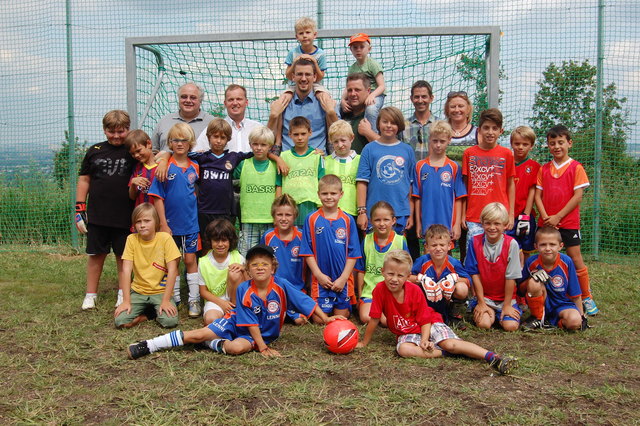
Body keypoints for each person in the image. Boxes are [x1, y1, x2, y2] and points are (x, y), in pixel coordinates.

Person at [127, 244, 345, 359]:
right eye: (255, 265)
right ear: (247, 269)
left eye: (265, 264)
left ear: (273, 267)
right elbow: (249, 323)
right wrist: (262, 349)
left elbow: (306, 301)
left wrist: (326, 320)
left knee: (235, 348)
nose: (260, 267)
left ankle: (209, 344)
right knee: (197, 333)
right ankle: (149, 345)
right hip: (236, 323)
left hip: (261, 335)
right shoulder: (243, 289)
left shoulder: (282, 285)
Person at [356, 250, 518, 375]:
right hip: (406, 331)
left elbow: (425, 319)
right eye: (390, 274)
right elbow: (374, 319)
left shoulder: (414, 290)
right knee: (404, 350)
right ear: (383, 271)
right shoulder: (379, 290)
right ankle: (447, 353)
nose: (394, 279)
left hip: (429, 323)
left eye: (400, 275)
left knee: (451, 343)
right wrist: (364, 342)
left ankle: (493, 357)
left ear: (407, 276)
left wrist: (425, 340)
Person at [534, 125, 599, 316]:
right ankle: (541, 294)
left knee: (575, 259)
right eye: (552, 143)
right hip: (545, 224)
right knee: (543, 257)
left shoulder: (576, 167)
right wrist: (545, 215)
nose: (556, 146)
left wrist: (558, 217)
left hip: (567, 223)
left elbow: (577, 197)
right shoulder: (544, 169)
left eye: (560, 142)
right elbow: (538, 195)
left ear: (569, 143)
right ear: (548, 146)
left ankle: (585, 296)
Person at [77, 110, 135, 310]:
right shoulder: (95, 150)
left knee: (123, 256)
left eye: (121, 131)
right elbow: (84, 179)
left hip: (125, 215)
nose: (117, 136)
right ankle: (90, 295)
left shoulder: (132, 149)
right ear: (104, 130)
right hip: (98, 214)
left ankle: (122, 292)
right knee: (96, 254)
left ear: (128, 129)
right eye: (112, 132)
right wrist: (79, 208)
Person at [147, 123, 201, 317]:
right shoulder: (164, 167)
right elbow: (156, 197)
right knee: (173, 261)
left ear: (190, 143)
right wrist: (163, 224)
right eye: (175, 140)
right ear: (169, 142)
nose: (179, 143)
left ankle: (194, 299)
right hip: (170, 225)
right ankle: (175, 297)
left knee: (190, 259)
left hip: (191, 224)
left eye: (184, 140)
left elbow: (195, 191)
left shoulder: (195, 166)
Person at [300, 174, 362, 323]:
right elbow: (307, 251)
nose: (329, 197)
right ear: (318, 194)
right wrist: (318, 275)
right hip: (321, 279)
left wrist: (343, 278)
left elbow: (353, 253)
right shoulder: (311, 218)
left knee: (342, 316)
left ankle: (345, 305)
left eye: (333, 193)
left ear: (341, 194)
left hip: (342, 280)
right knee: (319, 320)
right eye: (325, 193)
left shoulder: (347, 220)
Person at [114, 203, 181, 328]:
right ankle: (150, 313)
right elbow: (126, 270)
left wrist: (166, 301)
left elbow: (173, 270)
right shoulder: (131, 239)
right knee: (120, 321)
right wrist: (126, 301)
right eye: (138, 221)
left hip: (161, 292)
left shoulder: (165, 238)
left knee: (169, 322)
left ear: (156, 222)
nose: (142, 225)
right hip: (139, 291)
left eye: (147, 221)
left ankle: (148, 314)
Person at [356, 107, 416, 233]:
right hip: (375, 214)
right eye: (385, 121)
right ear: (378, 123)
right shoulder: (369, 149)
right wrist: (362, 211)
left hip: (400, 213)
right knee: (375, 251)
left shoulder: (407, 150)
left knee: (397, 251)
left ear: (399, 125)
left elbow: (411, 184)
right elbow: (362, 182)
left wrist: (410, 213)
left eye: (393, 123)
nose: (389, 126)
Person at [464, 202, 522, 332]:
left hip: (506, 298)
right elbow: (474, 274)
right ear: (482, 223)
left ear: (505, 225)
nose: (492, 227)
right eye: (488, 223)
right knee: (484, 324)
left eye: (497, 224)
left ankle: (503, 312)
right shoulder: (475, 241)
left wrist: (507, 305)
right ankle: (486, 311)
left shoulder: (511, 244)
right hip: (486, 297)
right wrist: (481, 302)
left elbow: (511, 277)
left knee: (510, 327)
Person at [461, 108, 515, 247]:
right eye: (486, 128)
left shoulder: (506, 154)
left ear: (500, 131)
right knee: (474, 256)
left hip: (499, 216)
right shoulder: (469, 153)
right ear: (479, 130)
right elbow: (464, 187)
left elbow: (511, 184)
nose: (490, 132)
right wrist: (463, 215)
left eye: (494, 128)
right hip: (474, 216)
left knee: (498, 257)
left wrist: (510, 214)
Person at [519, 226, 585, 331]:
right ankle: (538, 317)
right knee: (533, 282)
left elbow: (575, 293)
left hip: (563, 304)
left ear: (560, 246)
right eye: (543, 244)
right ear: (536, 246)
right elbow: (520, 290)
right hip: (542, 302)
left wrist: (581, 316)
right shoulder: (531, 262)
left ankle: (552, 322)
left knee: (575, 322)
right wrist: (530, 279)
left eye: (552, 244)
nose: (548, 248)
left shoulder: (567, 262)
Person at [268, 58, 338, 152]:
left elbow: (340, 133)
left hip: (317, 159)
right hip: (287, 162)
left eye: (308, 74)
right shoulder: (282, 103)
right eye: (300, 74)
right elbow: (267, 139)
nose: (304, 78)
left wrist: (331, 112)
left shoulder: (325, 102)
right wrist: (273, 116)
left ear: (314, 77)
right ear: (293, 77)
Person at [412, 120, 466, 242]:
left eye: (442, 141)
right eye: (435, 141)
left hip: (447, 220)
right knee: (428, 251)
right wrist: (419, 223)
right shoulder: (419, 166)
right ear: (429, 139)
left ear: (449, 140)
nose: (438, 145)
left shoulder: (454, 167)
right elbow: (417, 197)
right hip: (427, 221)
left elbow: (459, 198)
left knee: (446, 252)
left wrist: (456, 224)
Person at [356, 201, 408, 325]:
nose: (382, 223)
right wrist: (360, 296)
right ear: (371, 221)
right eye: (377, 220)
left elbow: (406, 272)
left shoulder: (400, 241)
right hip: (370, 292)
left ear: (393, 220)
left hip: (392, 292)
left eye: (386, 219)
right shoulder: (366, 240)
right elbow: (361, 271)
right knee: (366, 318)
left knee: (386, 321)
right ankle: (377, 310)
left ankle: (384, 313)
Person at [410, 224, 471, 328]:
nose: (438, 249)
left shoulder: (454, 263)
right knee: (413, 287)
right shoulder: (422, 261)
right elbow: (407, 277)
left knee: (462, 288)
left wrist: (453, 279)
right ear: (427, 246)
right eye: (434, 245)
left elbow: (467, 281)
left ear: (449, 245)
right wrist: (421, 279)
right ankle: (416, 314)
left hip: (445, 300)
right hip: (426, 299)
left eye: (442, 245)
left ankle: (454, 317)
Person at [261, 194, 307, 325]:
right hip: (273, 290)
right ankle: (282, 311)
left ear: (295, 216)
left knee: (300, 320)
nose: (283, 219)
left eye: (288, 215)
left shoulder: (302, 236)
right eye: (279, 215)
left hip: (297, 290)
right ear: (274, 216)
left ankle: (287, 311)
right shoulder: (268, 236)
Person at [234, 126, 280, 255]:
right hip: (249, 219)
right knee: (246, 256)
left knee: (270, 256)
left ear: (270, 146)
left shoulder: (276, 166)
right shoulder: (243, 164)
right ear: (250, 144)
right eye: (255, 144)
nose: (259, 148)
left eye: (263, 145)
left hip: (269, 219)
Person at [276, 116, 325, 227]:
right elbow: (278, 184)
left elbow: (322, 182)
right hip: (289, 205)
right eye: (296, 134)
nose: (300, 138)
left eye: (303, 134)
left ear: (310, 133)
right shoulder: (283, 157)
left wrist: (322, 206)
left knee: (309, 237)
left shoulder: (317, 156)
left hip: (310, 204)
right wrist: (278, 206)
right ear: (290, 135)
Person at [198, 219, 247, 325]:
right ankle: (219, 333)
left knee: (235, 273)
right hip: (215, 300)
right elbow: (203, 291)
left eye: (224, 240)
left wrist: (243, 269)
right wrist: (222, 303)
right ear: (210, 241)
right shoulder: (203, 262)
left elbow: (250, 283)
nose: (220, 244)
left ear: (230, 241)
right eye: (216, 240)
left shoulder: (238, 257)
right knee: (210, 319)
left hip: (236, 300)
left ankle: (236, 312)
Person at [506, 126, 540, 264]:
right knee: (508, 247)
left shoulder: (534, 166)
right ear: (511, 144)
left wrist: (525, 215)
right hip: (507, 215)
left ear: (531, 146)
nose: (520, 147)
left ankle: (524, 277)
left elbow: (533, 191)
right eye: (517, 143)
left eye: (525, 144)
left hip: (524, 215)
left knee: (526, 248)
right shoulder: (506, 162)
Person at [195, 84, 261, 154]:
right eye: (231, 100)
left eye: (239, 99)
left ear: (246, 102)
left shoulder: (257, 128)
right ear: (225, 103)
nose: (235, 103)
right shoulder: (214, 127)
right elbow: (197, 151)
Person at [151, 83, 214, 153]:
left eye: (193, 98)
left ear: (200, 100)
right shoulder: (163, 122)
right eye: (184, 97)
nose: (188, 100)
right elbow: (153, 152)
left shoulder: (212, 123)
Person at [343, 33, 385, 132]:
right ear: (351, 50)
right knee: (339, 108)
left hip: (376, 94)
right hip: (360, 95)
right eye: (355, 47)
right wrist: (342, 100)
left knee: (370, 109)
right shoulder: (352, 68)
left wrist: (372, 95)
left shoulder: (373, 64)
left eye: (362, 47)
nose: (358, 50)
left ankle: (372, 134)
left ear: (369, 49)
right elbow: (347, 87)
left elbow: (382, 86)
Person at [324, 120, 360, 217]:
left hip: (353, 213)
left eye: (343, 140)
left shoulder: (360, 160)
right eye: (336, 141)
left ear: (352, 138)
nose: (340, 145)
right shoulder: (325, 161)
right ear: (331, 141)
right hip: (330, 213)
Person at [337, 74, 379, 153]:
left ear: (368, 91)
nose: (353, 94)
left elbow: (389, 147)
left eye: (357, 90)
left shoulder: (377, 117)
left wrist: (369, 133)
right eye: (350, 90)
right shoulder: (341, 115)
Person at [401, 80, 440, 162]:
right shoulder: (403, 126)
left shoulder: (440, 125)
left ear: (431, 98)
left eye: (424, 96)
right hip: (411, 173)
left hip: (434, 173)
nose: (420, 101)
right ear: (411, 99)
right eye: (416, 97)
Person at [125, 130, 157, 208]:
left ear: (149, 144)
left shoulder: (162, 165)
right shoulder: (137, 168)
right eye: (132, 153)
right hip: (142, 215)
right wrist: (133, 183)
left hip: (160, 215)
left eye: (138, 151)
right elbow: (132, 197)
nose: (136, 155)